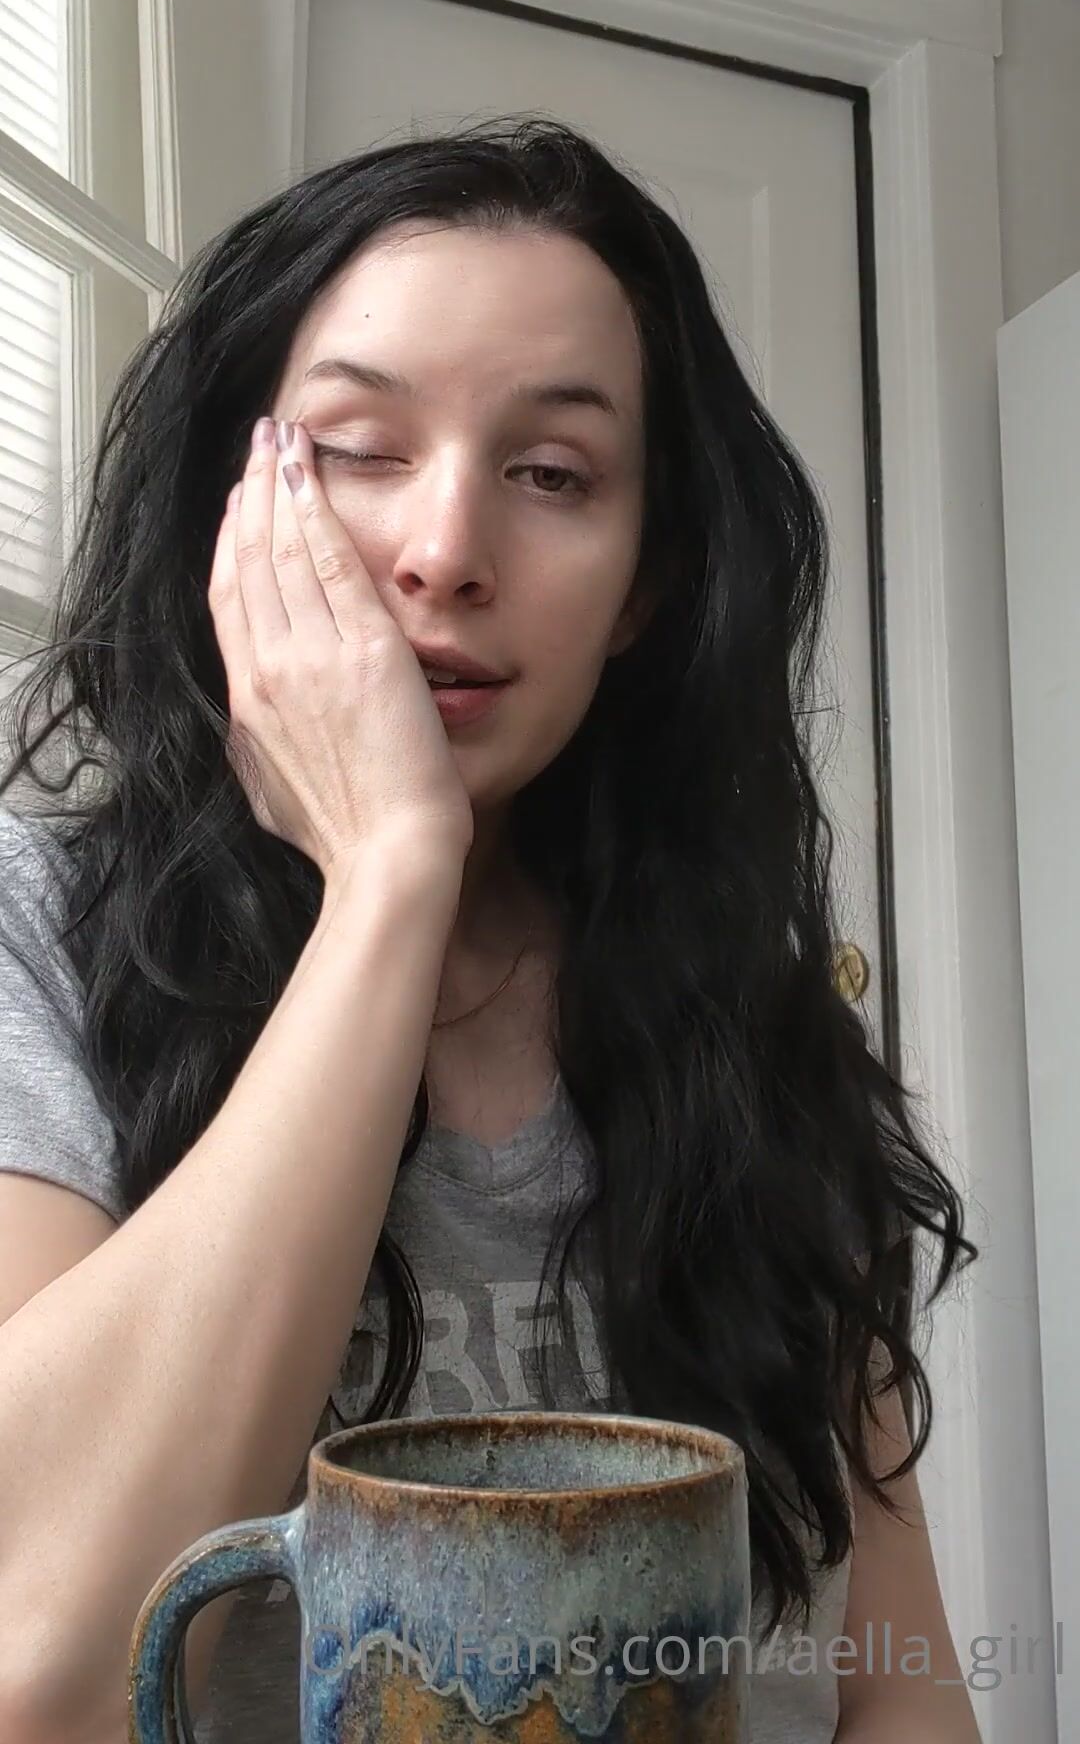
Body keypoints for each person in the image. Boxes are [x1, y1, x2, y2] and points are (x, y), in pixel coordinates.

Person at [0, 116, 980, 1744]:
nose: (446, 554)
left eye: (553, 475)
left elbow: (902, 1684)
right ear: (225, 512)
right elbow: (39, 1665)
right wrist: (390, 879)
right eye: (359, 450)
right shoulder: (34, 932)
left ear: (646, 583)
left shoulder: (761, 1033)